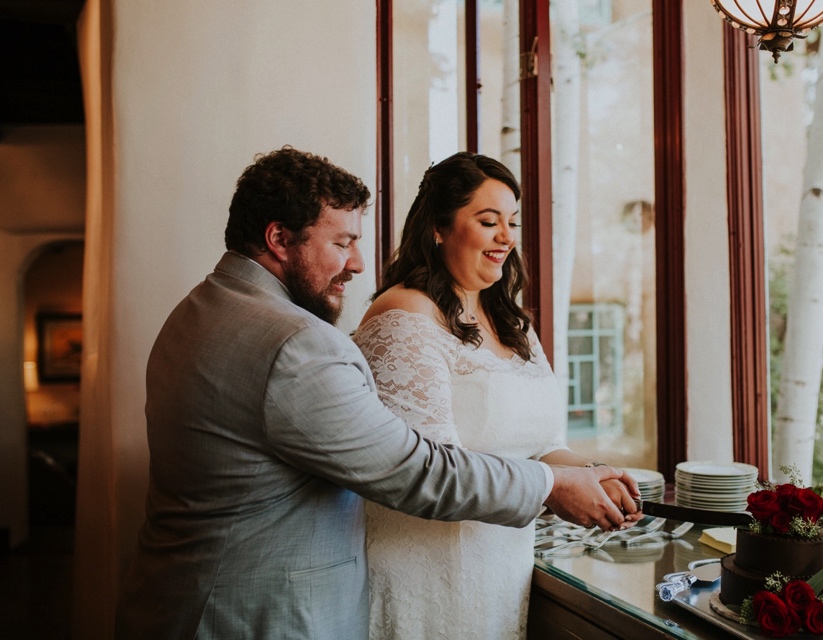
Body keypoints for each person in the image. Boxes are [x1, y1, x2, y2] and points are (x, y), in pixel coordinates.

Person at [113, 146, 637, 640]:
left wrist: (579, 473)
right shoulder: (296, 344)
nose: (359, 263)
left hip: (180, 600)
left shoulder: (196, 310)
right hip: (256, 615)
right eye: (341, 243)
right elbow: (415, 472)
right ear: (278, 238)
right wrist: (549, 485)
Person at [353, 151, 641, 640]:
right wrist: (556, 487)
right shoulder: (403, 313)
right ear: (439, 228)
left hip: (503, 569)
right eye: (489, 222)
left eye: (512, 221)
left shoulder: (516, 326)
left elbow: (546, 443)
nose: (507, 236)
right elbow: (429, 472)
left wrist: (596, 478)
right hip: (423, 569)